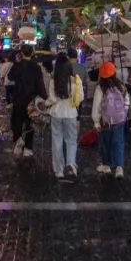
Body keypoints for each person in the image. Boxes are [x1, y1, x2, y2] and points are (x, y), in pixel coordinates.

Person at [45, 53, 83, 181]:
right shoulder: (76, 81)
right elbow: (80, 98)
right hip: (71, 113)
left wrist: (44, 104)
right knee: (71, 140)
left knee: (57, 142)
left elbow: (51, 99)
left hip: (56, 114)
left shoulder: (52, 81)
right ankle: (71, 164)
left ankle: (59, 171)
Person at [7, 45, 47, 158]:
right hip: (31, 100)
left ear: (21, 53)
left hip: (18, 98)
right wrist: (45, 97)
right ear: (32, 53)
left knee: (16, 121)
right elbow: (40, 84)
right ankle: (28, 149)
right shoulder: (36, 67)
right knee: (30, 124)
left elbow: (10, 77)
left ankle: (18, 139)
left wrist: (16, 62)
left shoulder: (17, 65)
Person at [92, 62, 128, 178]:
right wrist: (124, 114)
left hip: (106, 121)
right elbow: (127, 102)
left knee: (105, 143)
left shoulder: (100, 87)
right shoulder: (121, 86)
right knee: (118, 143)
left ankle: (107, 166)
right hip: (120, 120)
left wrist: (96, 121)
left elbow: (96, 106)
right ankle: (119, 168)